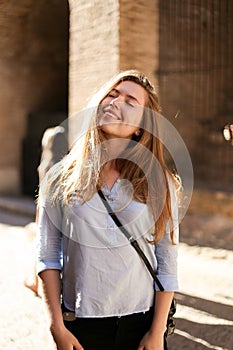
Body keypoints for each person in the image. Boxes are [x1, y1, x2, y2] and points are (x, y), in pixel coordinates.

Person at [37, 70, 180, 350]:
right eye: (112, 95)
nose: (116, 102)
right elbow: (47, 255)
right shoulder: (60, 176)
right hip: (81, 321)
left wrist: (157, 331)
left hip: (142, 321)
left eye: (130, 101)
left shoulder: (159, 180)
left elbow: (167, 258)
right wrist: (56, 325)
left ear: (141, 126)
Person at [24, 125, 68, 296]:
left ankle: (38, 283)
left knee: (44, 248)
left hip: (47, 210)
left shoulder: (46, 165)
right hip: (60, 212)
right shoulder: (66, 164)